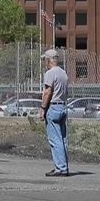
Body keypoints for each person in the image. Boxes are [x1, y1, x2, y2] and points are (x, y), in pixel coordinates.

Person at [39, 49, 70, 177]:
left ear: (48, 60)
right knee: (62, 139)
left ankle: (61, 168)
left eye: (44, 60)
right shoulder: (63, 73)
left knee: (55, 140)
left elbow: (47, 92)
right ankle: (63, 166)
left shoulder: (50, 73)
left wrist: (42, 108)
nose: (44, 63)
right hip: (63, 106)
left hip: (54, 107)